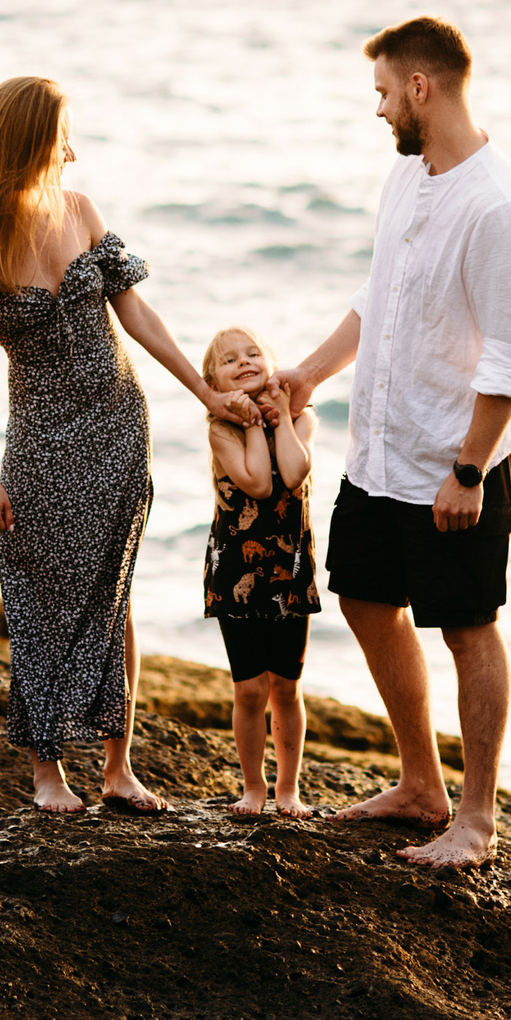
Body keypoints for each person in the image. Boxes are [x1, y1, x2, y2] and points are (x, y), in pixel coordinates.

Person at [0, 75, 257, 814]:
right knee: (39, 600)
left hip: (116, 424)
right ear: (25, 144)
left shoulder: (79, 210)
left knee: (116, 592)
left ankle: (118, 767)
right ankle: (48, 773)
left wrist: (206, 393)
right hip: (40, 441)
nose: (70, 153)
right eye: (58, 139)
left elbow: (136, 314)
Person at [275, 16, 511, 868]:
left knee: (468, 627)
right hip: (380, 452)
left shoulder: (499, 205)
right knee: (361, 595)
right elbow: (380, 297)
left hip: (453, 460)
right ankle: (421, 783)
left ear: (421, 88)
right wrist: (308, 374)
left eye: (385, 93)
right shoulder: (407, 178)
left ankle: (475, 818)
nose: (381, 110)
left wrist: (469, 469)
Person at [200, 326, 318, 818]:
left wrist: (280, 418)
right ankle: (254, 786)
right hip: (236, 568)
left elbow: (293, 471)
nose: (244, 361)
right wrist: (250, 423)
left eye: (253, 354)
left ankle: (288, 789)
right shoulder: (220, 428)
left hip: (289, 568)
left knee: (287, 686)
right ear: (213, 381)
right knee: (250, 688)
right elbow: (259, 483)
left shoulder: (301, 420)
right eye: (230, 360)